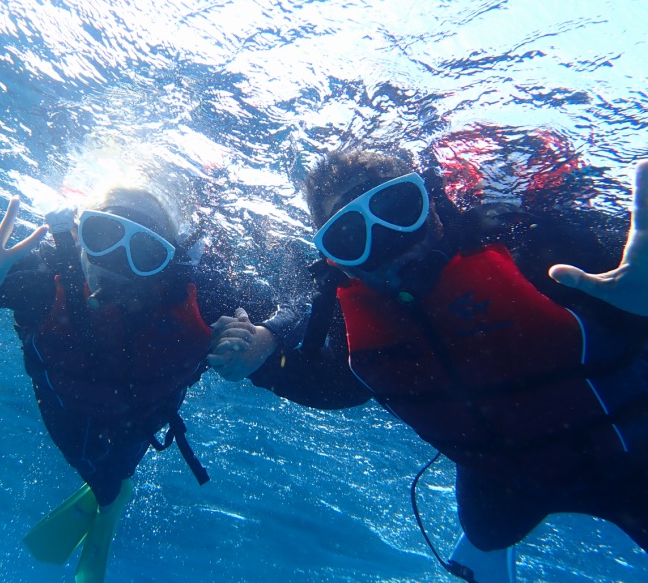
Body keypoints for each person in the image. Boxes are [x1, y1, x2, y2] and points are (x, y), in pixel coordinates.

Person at [208, 144, 648, 583]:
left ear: (433, 206)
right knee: (487, 530)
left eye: (398, 208)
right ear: (336, 261)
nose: (388, 243)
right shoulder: (357, 321)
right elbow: (340, 386)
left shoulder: (538, 254)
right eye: (350, 236)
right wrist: (266, 362)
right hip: (499, 482)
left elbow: (630, 279)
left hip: (631, 466)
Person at [0, 187, 296, 583]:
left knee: (116, 469)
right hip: (67, 409)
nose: (116, 263)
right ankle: (108, 492)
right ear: (77, 236)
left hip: (148, 415)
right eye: (103, 235)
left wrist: (264, 339)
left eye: (145, 252)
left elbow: (306, 314)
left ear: (170, 261)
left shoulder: (205, 294)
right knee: (94, 466)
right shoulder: (41, 277)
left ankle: (111, 492)